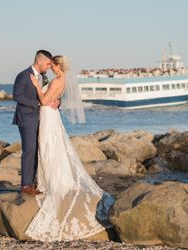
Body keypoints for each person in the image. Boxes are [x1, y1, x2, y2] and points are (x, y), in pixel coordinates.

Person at [24, 55, 114, 241]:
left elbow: (43, 101)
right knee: (51, 148)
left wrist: (35, 86)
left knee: (49, 147)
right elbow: (53, 98)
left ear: (58, 66)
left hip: (48, 117)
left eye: (52, 64)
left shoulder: (58, 80)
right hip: (49, 116)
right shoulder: (60, 80)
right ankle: (49, 179)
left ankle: (52, 182)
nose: (49, 67)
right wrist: (54, 99)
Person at [12, 50, 59, 196]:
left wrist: (57, 101)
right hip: (26, 119)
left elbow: (49, 94)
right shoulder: (23, 75)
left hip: (43, 119)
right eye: (47, 64)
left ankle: (34, 182)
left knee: (39, 151)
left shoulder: (43, 78)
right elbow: (17, 96)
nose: (49, 67)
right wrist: (37, 103)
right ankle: (26, 185)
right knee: (29, 150)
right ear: (39, 61)